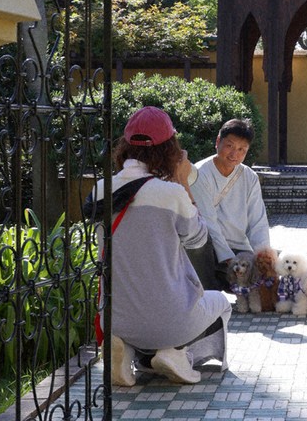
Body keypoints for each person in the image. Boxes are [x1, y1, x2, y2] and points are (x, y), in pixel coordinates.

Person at [85, 106, 232, 387]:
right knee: (222, 303)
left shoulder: (101, 189)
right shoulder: (171, 193)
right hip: (171, 321)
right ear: (169, 148)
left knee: (135, 309)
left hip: (114, 318)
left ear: (125, 147)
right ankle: (176, 353)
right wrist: (182, 183)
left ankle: (125, 351)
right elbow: (199, 240)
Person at [188, 118, 270, 291]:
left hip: (239, 248)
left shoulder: (250, 177)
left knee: (265, 286)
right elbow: (209, 222)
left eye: (242, 149)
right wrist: (228, 259)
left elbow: (258, 222)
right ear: (218, 141)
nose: (234, 154)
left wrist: (263, 258)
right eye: (230, 146)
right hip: (210, 248)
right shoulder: (200, 174)